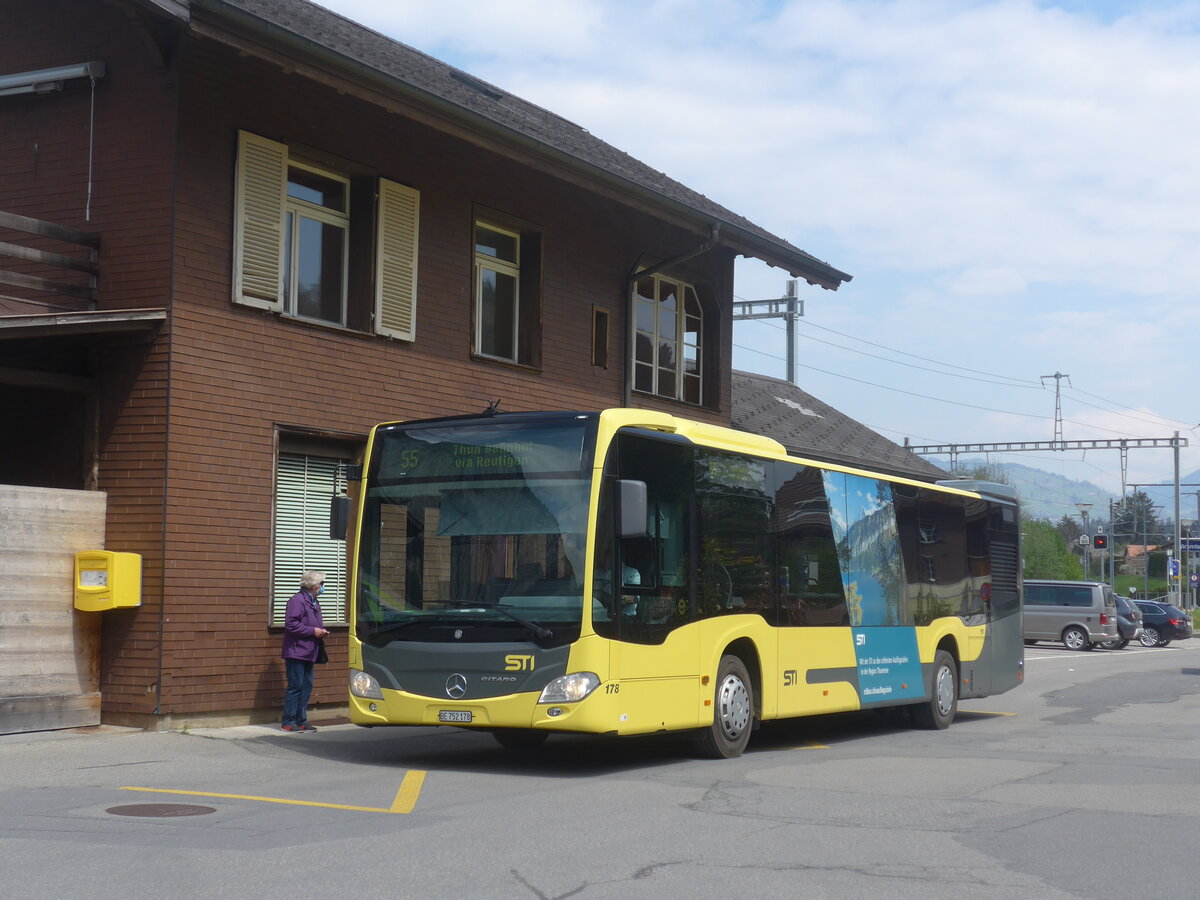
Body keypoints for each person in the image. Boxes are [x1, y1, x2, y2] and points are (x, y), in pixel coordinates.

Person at [281, 570, 329, 732]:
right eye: (322, 584)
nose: (324, 587)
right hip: (296, 651)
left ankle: (301, 720)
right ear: (315, 586)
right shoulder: (297, 601)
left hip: (310, 650)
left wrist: (320, 631)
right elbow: (291, 624)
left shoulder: (313, 601)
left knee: (307, 686)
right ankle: (288, 721)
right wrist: (313, 631)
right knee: (295, 686)